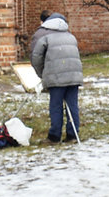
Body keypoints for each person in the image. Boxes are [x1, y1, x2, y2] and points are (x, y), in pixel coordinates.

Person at [30, 12, 83, 143]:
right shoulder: (71, 37)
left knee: (56, 106)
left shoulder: (46, 38)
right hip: (74, 77)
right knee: (72, 106)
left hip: (56, 78)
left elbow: (36, 59)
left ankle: (54, 136)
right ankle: (73, 135)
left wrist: (42, 74)